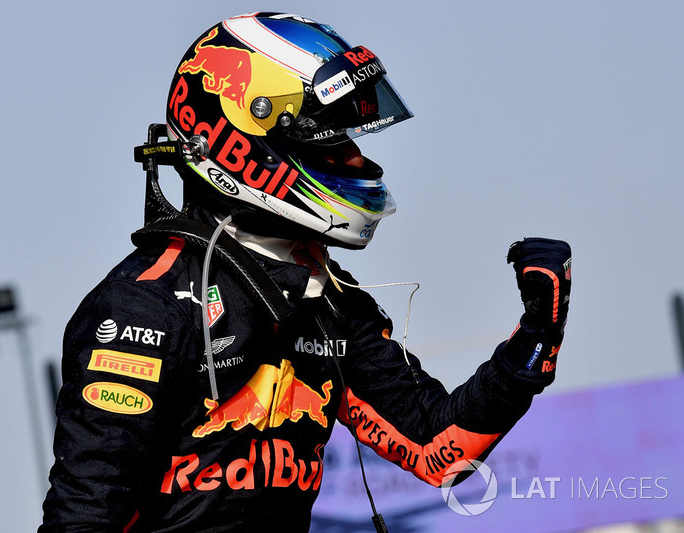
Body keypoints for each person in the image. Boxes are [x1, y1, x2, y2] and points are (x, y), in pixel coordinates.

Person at [40, 12, 571, 532]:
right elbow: (85, 516)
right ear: (245, 143)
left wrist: (534, 341)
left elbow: (437, 451)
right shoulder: (142, 308)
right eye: (333, 140)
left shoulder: (329, 298)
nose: (360, 159)